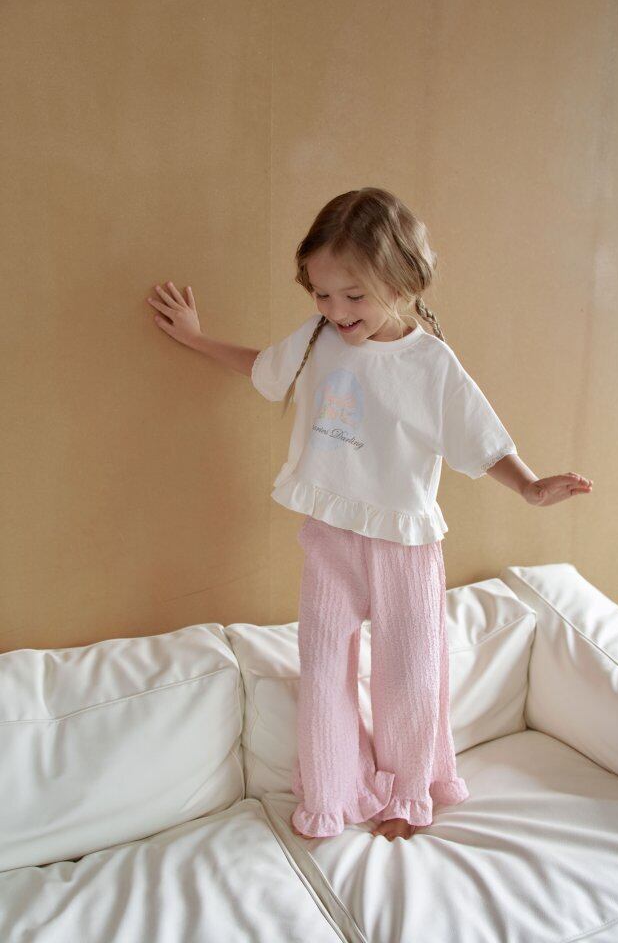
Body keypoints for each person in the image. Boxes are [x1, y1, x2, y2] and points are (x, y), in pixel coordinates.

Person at [145, 187, 594, 843]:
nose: (336, 311)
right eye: (322, 294)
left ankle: (410, 792)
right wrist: (196, 339)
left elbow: (479, 436)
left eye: (353, 296)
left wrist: (528, 487)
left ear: (402, 282)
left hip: (403, 543)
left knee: (409, 673)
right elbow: (266, 369)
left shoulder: (429, 363)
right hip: (330, 534)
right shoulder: (315, 340)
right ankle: (331, 792)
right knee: (323, 663)